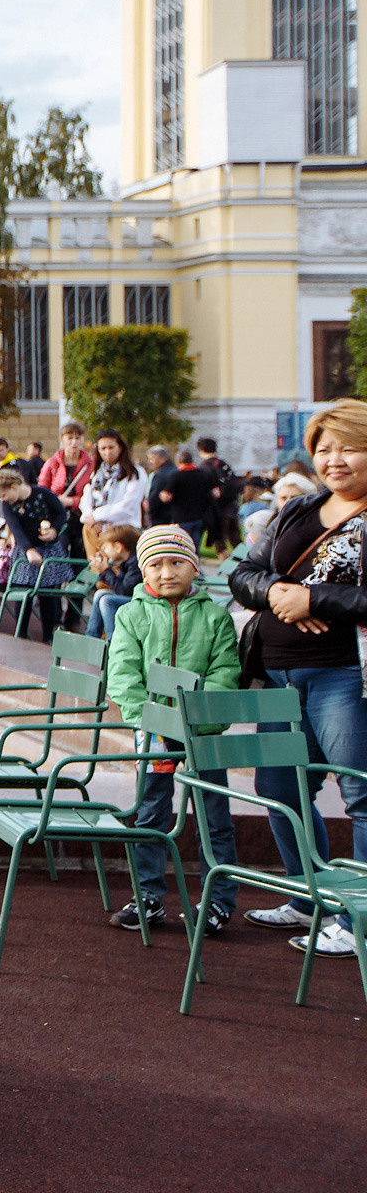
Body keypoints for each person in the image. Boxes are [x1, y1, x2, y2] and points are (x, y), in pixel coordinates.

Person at [225, 398, 367, 961]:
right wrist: (278, 593)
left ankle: (357, 914)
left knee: (360, 794)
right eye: (324, 449)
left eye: (349, 446)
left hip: (344, 674)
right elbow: (242, 572)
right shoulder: (299, 508)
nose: (334, 459)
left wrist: (317, 597)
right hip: (277, 672)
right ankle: (310, 896)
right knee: (281, 789)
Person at [103, 525, 241, 937]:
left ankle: (219, 900)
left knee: (214, 817)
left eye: (177, 562)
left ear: (194, 567)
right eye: (157, 564)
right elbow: (123, 674)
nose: (167, 572)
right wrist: (147, 720)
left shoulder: (216, 617)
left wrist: (199, 718)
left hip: (202, 732)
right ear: (144, 569)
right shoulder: (131, 613)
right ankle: (147, 894)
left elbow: (225, 673)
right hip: (154, 735)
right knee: (151, 813)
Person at [0, 466, 73, 641]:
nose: (2, 499)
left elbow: (61, 514)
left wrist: (54, 530)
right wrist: (28, 550)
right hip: (25, 550)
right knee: (22, 591)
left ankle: (48, 635)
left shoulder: (43, 494)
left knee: (47, 593)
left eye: (3, 494)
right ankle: (21, 633)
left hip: (47, 549)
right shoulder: (8, 505)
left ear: (14, 487)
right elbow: (16, 529)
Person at [80, 429, 144, 558]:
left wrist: (97, 516)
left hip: (124, 527)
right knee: (88, 530)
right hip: (96, 526)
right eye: (103, 448)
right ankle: (97, 573)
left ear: (120, 447)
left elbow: (129, 505)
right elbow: (86, 499)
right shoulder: (97, 474)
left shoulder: (135, 472)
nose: (107, 452)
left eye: (111, 447)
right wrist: (91, 518)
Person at [39, 423, 95, 542]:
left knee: (80, 550)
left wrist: (72, 501)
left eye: (78, 438)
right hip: (57, 514)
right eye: (70, 438)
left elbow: (95, 492)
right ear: (62, 439)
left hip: (81, 515)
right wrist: (55, 501)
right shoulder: (52, 463)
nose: (74, 442)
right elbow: (42, 490)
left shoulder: (91, 464)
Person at [86, 524, 142, 639]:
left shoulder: (135, 563)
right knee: (100, 594)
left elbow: (123, 591)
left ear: (118, 547)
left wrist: (106, 570)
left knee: (107, 600)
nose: (104, 552)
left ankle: (113, 640)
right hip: (131, 598)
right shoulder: (127, 562)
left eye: (106, 548)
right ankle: (91, 637)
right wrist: (104, 570)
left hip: (141, 602)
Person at [195, 438, 240, 554]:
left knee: (220, 544)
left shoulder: (204, 468)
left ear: (201, 450)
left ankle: (227, 570)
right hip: (232, 508)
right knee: (236, 542)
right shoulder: (224, 465)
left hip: (217, 512)